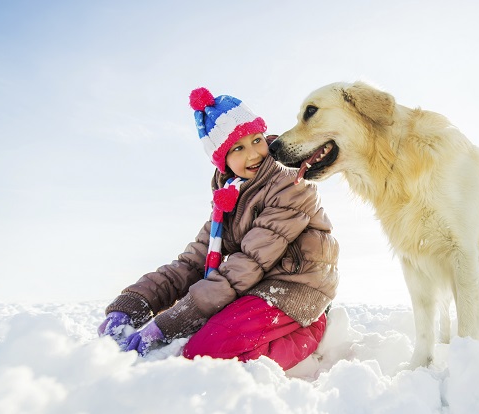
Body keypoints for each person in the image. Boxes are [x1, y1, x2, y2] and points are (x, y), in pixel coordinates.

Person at [97, 87, 339, 370]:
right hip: (257, 289)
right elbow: (190, 264)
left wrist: (169, 324)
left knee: (205, 352)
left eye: (257, 140)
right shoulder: (228, 199)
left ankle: (310, 331)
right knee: (199, 344)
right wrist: (132, 304)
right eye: (238, 148)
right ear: (222, 160)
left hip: (297, 291)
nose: (254, 154)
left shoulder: (292, 184)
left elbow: (249, 263)